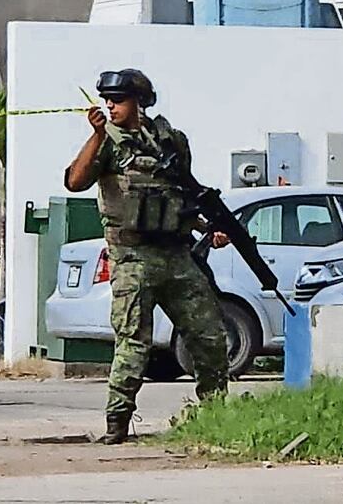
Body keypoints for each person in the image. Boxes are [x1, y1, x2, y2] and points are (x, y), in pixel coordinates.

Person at [64, 69, 230, 445]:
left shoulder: (171, 141)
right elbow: (75, 181)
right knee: (133, 344)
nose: (111, 106)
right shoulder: (107, 141)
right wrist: (96, 135)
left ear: (139, 101)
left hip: (176, 253)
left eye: (118, 100)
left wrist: (209, 228)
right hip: (132, 256)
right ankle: (117, 424)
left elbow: (184, 194)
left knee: (209, 337)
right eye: (108, 99)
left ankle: (216, 415)